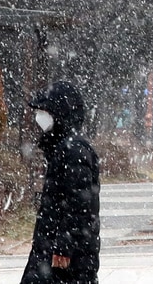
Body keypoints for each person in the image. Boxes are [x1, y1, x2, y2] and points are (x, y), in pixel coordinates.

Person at [22, 81, 101, 284]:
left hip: (64, 255)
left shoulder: (72, 150)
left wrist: (64, 246)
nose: (40, 116)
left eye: (44, 111)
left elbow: (79, 205)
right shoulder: (62, 147)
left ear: (60, 113)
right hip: (53, 246)